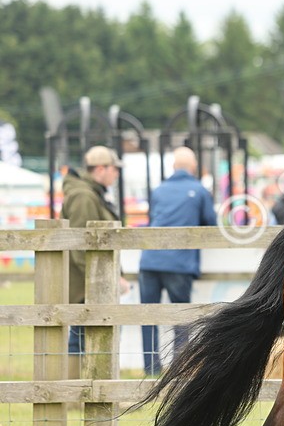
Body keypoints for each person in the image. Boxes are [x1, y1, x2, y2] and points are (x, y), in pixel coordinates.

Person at [139, 147, 216, 375]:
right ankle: (179, 365)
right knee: (181, 317)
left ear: (173, 167)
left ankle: (151, 367)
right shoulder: (199, 190)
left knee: (147, 316)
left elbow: (152, 218)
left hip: (149, 260)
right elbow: (210, 224)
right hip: (179, 262)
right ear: (193, 167)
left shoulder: (159, 190)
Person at [61, 147, 122, 357]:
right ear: (100, 169)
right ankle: (77, 384)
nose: (117, 174)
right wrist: (99, 281)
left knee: (86, 335)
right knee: (82, 337)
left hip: (90, 280)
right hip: (86, 283)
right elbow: (81, 244)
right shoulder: (84, 197)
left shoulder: (90, 194)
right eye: (114, 169)